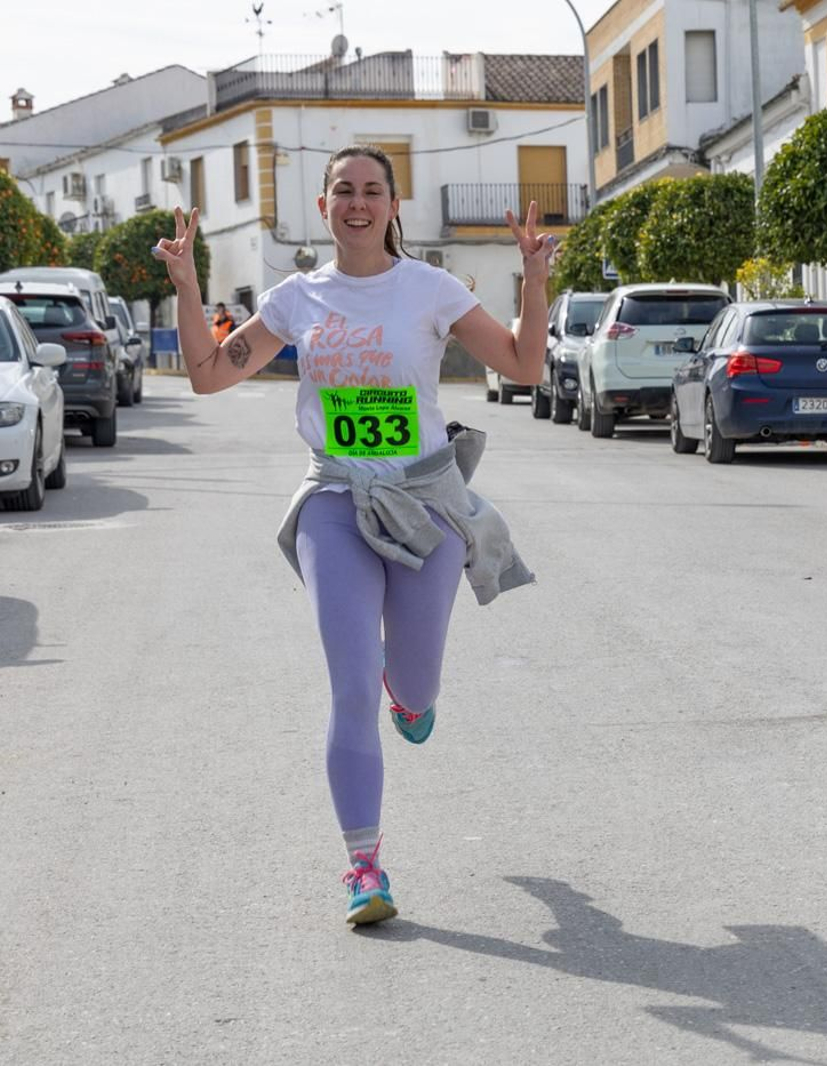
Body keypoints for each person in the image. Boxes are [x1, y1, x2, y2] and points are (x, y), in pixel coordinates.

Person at [153, 144, 553, 926]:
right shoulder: (297, 299)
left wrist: (535, 282)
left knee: (415, 684)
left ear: (394, 206)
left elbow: (525, 366)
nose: (358, 203)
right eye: (344, 191)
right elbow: (208, 373)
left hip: (425, 501)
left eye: (373, 191)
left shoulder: (430, 288)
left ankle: (409, 696)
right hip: (334, 499)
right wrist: (188, 287)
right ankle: (364, 867)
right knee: (350, 684)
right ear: (324, 205)